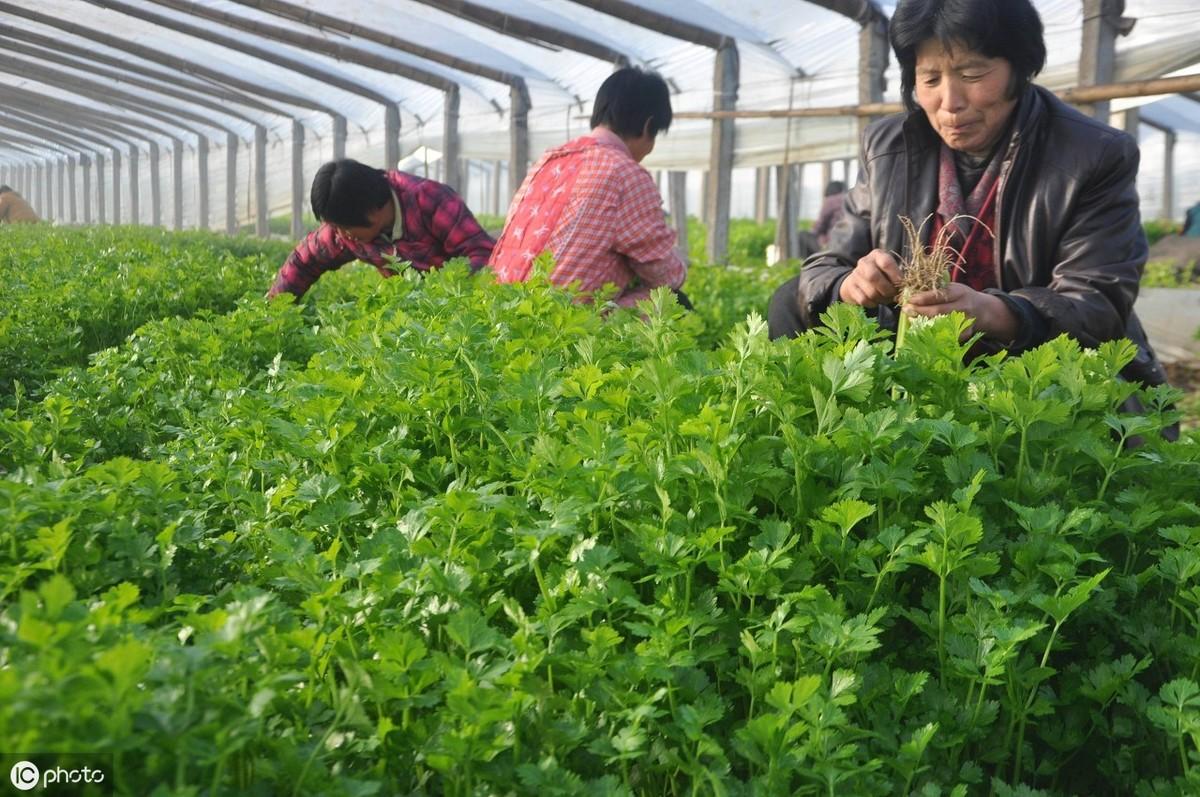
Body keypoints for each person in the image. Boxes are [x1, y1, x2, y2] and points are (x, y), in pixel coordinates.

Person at [766, 0, 1169, 398]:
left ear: (1020, 69)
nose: (950, 102)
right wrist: (850, 285)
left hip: (1034, 370)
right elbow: (825, 267)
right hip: (915, 359)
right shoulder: (889, 147)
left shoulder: (1093, 154)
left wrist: (995, 314)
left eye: (972, 73)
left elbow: (1097, 303)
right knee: (789, 299)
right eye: (930, 79)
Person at [488, 67, 688, 309]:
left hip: (500, 312)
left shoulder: (549, 160)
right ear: (648, 126)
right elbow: (665, 274)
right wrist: (680, 263)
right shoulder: (625, 173)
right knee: (669, 301)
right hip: (563, 326)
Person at [266, 159, 494, 299]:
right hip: (410, 313)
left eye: (345, 227)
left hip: (458, 303)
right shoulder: (343, 233)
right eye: (335, 227)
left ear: (374, 209)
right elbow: (305, 261)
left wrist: (448, 292)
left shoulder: (430, 200)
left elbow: (482, 253)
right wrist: (274, 312)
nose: (342, 235)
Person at [812, 180, 847, 249]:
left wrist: (814, 230)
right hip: (852, 238)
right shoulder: (850, 199)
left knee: (803, 236)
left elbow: (820, 224)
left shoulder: (830, 201)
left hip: (833, 240)